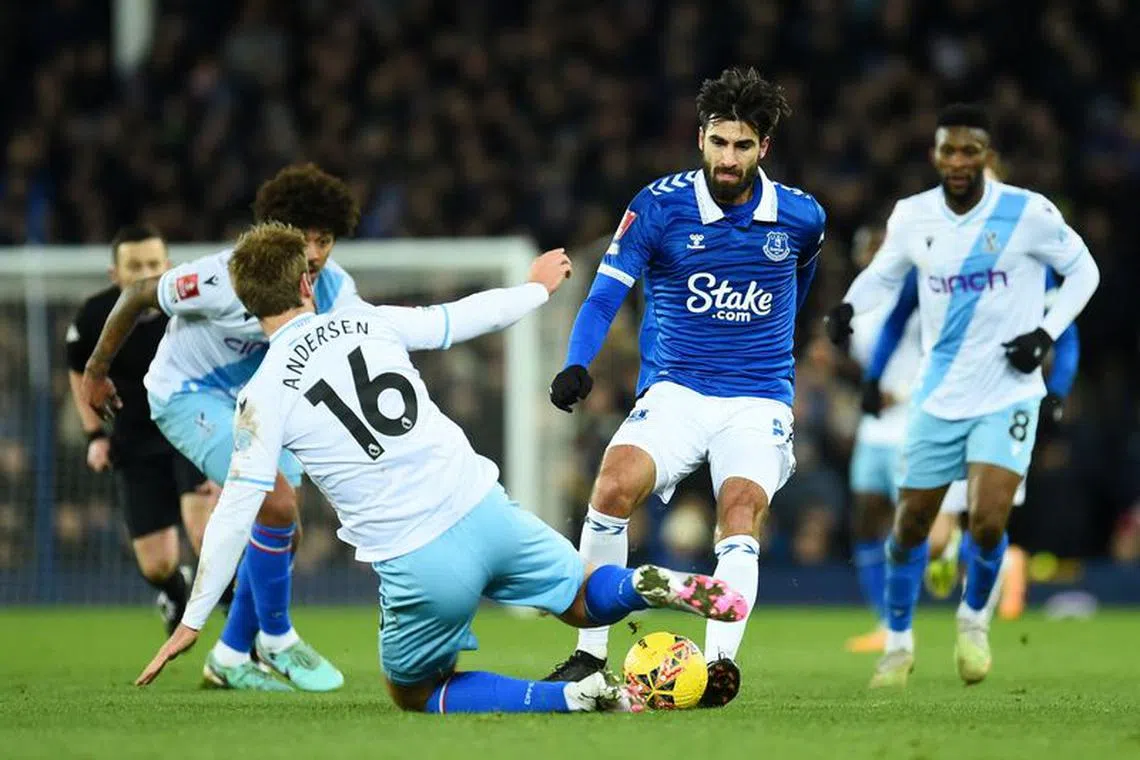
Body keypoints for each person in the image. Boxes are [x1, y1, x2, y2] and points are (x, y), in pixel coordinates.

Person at [133, 223, 749, 713]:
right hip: (486, 508)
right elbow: (457, 319)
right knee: (587, 598)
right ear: (304, 283)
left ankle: (569, 697)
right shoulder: (366, 319)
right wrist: (535, 290)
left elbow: (237, 507)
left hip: (418, 556)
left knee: (414, 690)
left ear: (245, 302)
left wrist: (193, 619)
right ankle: (644, 583)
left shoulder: (261, 394)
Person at [544, 66, 826, 707]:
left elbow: (799, 288)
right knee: (612, 486)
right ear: (700, 138)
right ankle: (589, 656)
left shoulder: (802, 217)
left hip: (757, 397)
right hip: (675, 391)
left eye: (743, 146)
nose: (728, 159)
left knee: (740, 512)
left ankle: (720, 668)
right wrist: (577, 363)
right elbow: (604, 295)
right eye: (718, 142)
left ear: (764, 148)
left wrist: (776, 351)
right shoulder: (657, 206)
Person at [824, 103, 1099, 687]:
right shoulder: (913, 216)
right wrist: (849, 306)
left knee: (990, 521)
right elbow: (885, 276)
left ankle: (973, 621)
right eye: (948, 150)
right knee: (912, 526)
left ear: (986, 156)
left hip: (1008, 394)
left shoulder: (1028, 212)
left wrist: (1044, 336)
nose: (957, 161)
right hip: (938, 397)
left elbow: (1085, 273)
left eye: (969, 151)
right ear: (935, 155)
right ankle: (898, 644)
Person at [80, 164, 359, 692]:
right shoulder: (221, 277)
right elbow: (138, 294)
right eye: (305, 239)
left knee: (284, 531)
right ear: (276, 232)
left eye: (325, 240)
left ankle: (229, 654)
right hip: (188, 395)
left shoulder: (338, 290)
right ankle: (277, 638)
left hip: (266, 404)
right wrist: (96, 371)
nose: (316, 253)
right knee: (276, 503)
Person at [65, 224, 216, 635]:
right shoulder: (94, 316)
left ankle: (244, 635)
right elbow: (80, 374)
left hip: (192, 433)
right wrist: (95, 435)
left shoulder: (194, 309)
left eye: (153, 264)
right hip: (134, 440)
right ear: (114, 274)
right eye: (134, 266)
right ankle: (175, 587)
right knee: (157, 565)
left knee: (205, 536)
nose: (146, 273)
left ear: (169, 265)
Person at [842, 227, 921, 654]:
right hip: (874, 429)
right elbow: (868, 370)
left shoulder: (919, 297)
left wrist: (902, 394)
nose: (868, 257)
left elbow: (942, 358)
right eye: (863, 250)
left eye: (875, 249)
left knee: (915, 525)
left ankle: (987, 558)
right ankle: (885, 623)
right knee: (865, 520)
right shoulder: (859, 308)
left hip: (914, 425)